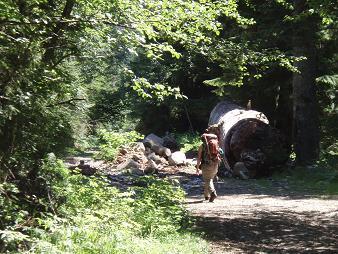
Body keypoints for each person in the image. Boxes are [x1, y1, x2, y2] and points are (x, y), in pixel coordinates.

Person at [195, 126, 223, 202]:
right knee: (209, 179)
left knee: (208, 179)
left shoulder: (202, 146)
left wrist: (197, 168)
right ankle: (206, 196)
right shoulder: (215, 143)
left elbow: (199, 158)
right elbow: (221, 152)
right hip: (216, 164)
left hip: (206, 165)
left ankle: (213, 192)